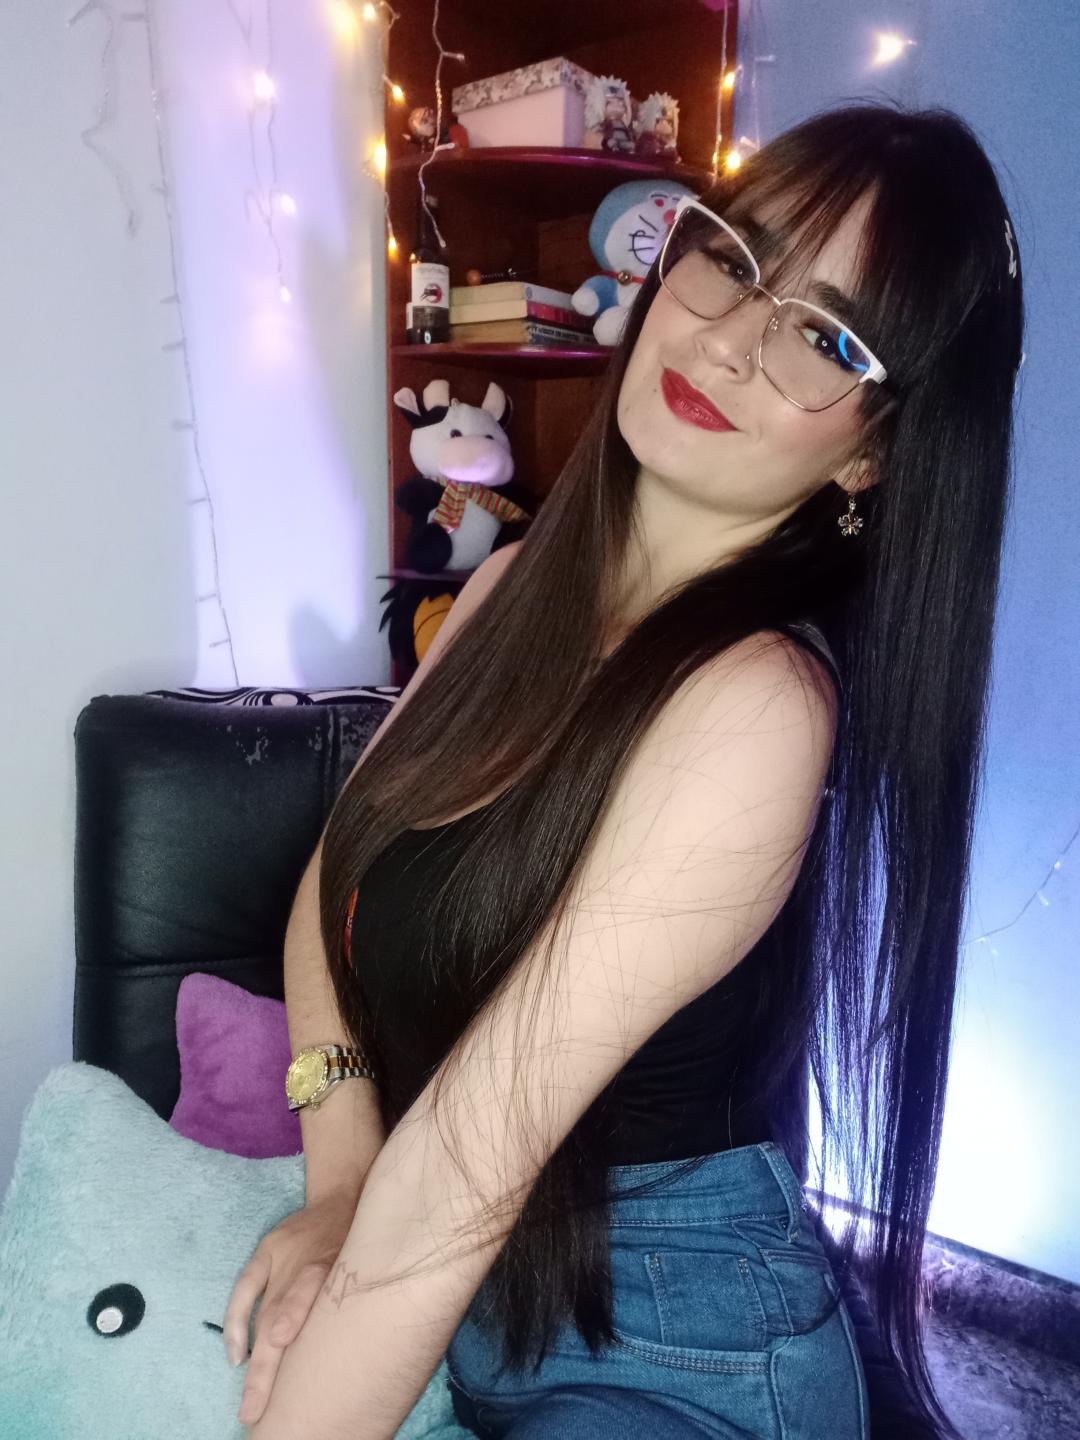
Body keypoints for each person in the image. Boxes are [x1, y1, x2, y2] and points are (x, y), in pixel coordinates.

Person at [224, 98, 1024, 1439]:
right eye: (734, 258)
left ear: (874, 451)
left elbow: (474, 1152)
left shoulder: (757, 707)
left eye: (826, 338)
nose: (732, 339)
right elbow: (332, 889)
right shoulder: (507, 591)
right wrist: (341, 1179)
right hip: (465, 1288)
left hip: (678, 1352)